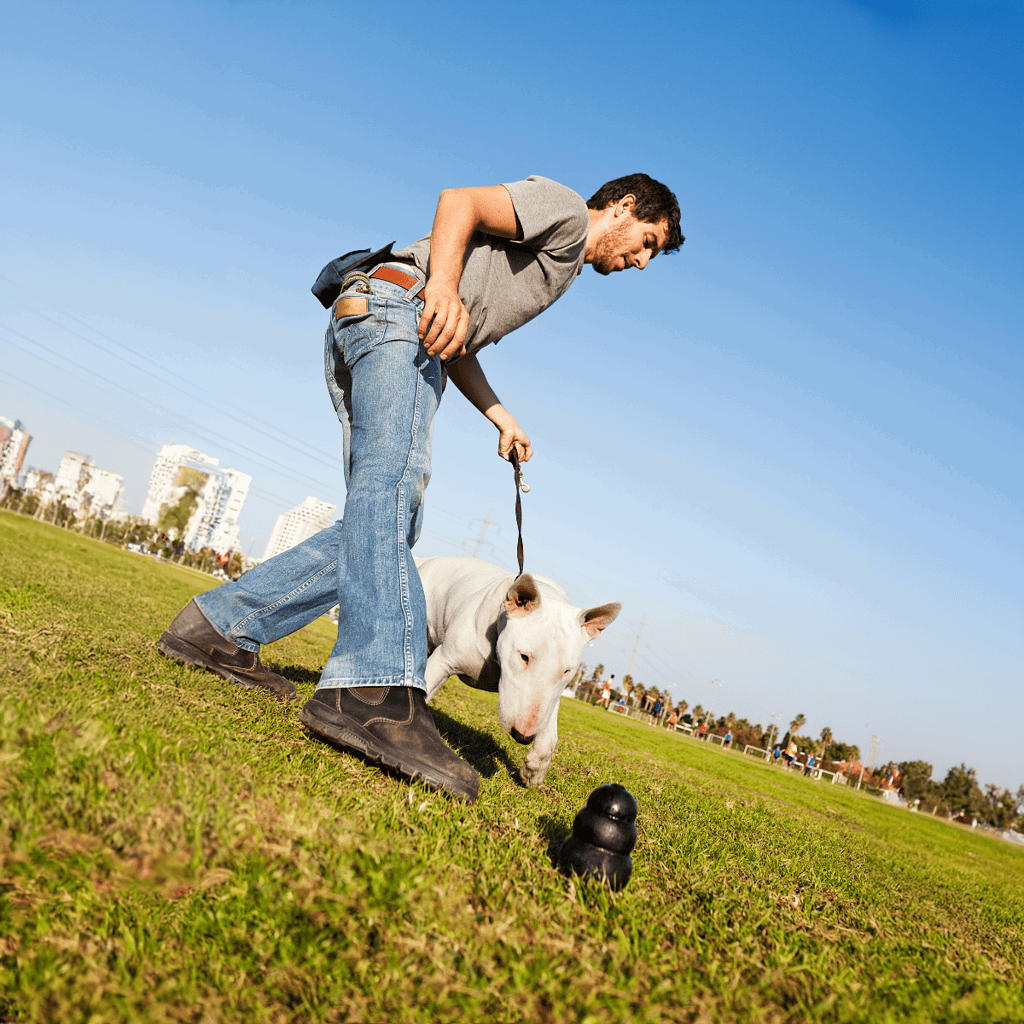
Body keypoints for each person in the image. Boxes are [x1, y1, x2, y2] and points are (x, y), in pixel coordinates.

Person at [156, 173, 684, 804]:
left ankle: (216, 627)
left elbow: (457, 337)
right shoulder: (568, 214)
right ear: (623, 208)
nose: (641, 261)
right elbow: (459, 203)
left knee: (380, 523)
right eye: (647, 241)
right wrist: (438, 285)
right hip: (396, 311)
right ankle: (370, 692)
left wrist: (500, 417)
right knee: (393, 492)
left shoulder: (559, 264)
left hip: (393, 318)